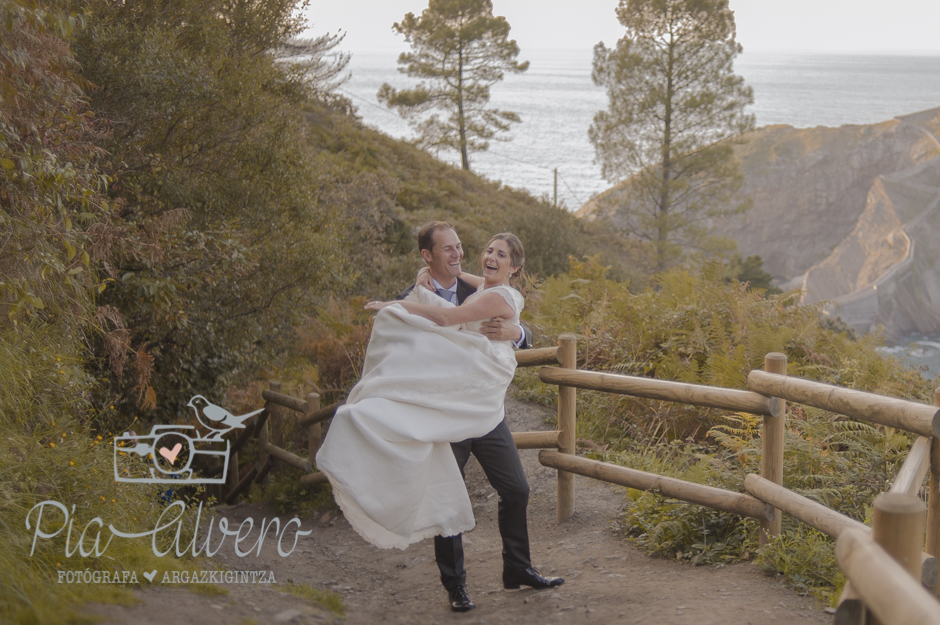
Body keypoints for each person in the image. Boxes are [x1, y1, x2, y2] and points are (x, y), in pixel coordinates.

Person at [315, 224, 562, 614]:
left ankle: (518, 567)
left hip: (483, 412)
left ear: (514, 266)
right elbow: (405, 344)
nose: (461, 255)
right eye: (450, 249)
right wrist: (399, 304)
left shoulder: (484, 289)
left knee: (516, 489)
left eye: (461, 248)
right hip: (443, 413)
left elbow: (515, 326)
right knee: (445, 492)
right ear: (428, 256)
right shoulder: (418, 295)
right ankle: (456, 585)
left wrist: (517, 332)